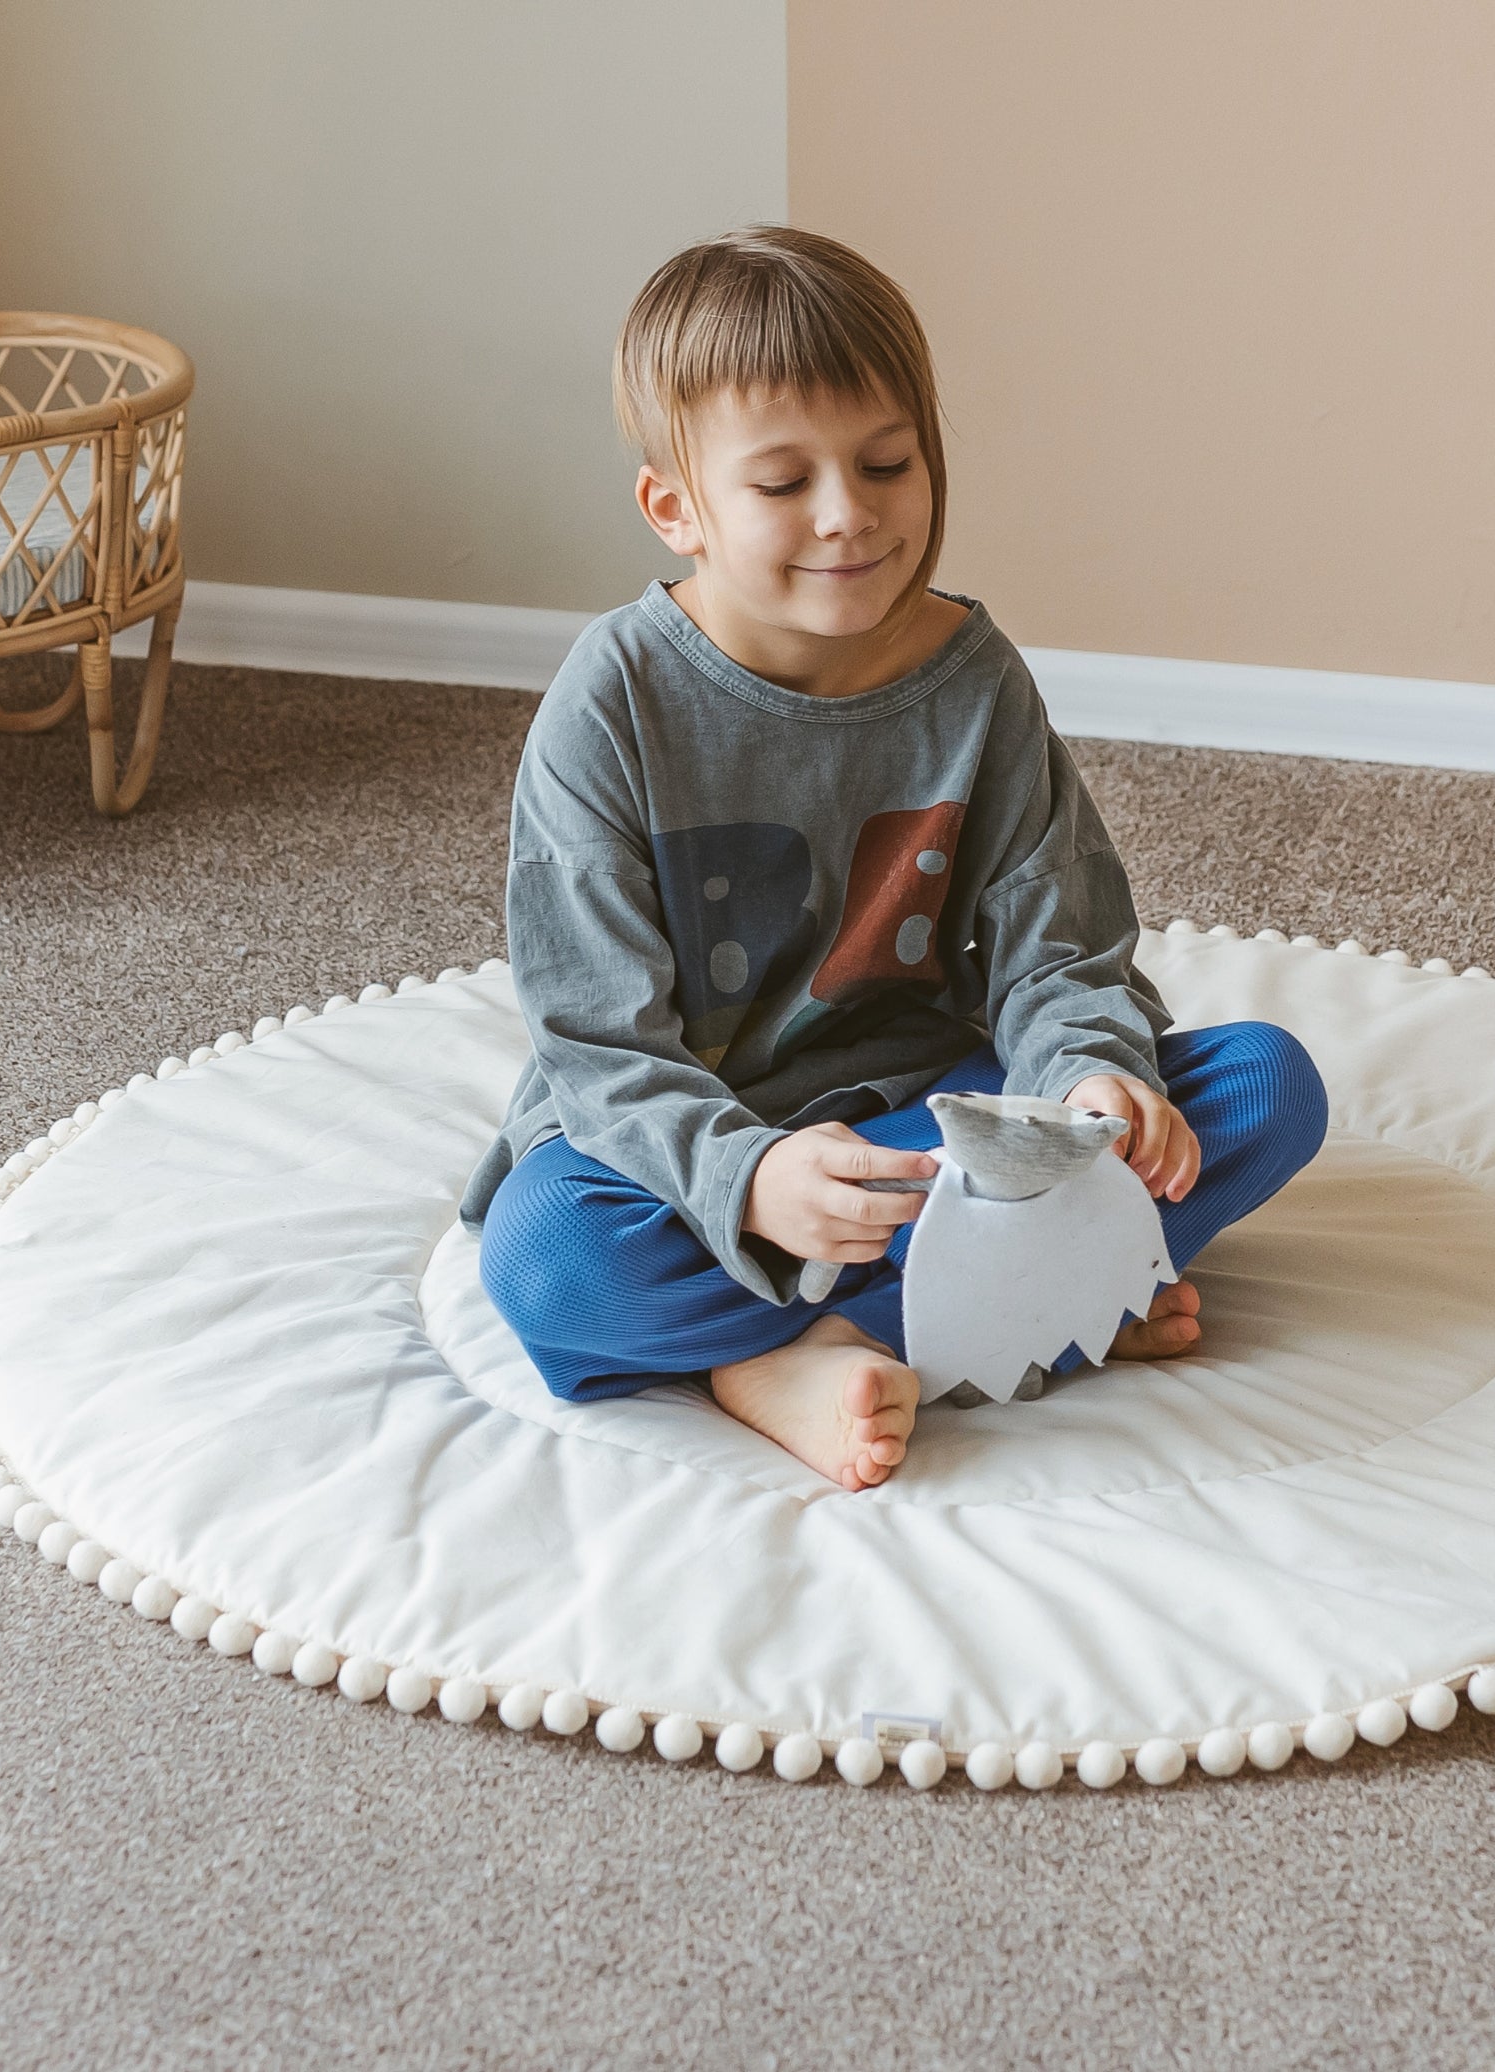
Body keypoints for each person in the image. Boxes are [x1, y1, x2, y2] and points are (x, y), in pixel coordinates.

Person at [463, 228, 1326, 1490]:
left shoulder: (973, 683)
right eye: (781, 484)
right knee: (550, 1264)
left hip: (937, 1117)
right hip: (691, 1146)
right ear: (676, 508)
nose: (848, 515)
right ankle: (962, 1326)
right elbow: (597, 1043)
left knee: (1263, 1088)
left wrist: (1090, 1081)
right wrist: (749, 1177)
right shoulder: (615, 700)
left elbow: (1061, 947)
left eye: (887, 462)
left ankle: (911, 1316)